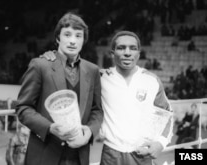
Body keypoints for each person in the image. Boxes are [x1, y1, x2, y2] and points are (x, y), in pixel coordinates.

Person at [41, 31, 173, 165]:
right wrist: (53, 58)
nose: (127, 52)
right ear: (112, 53)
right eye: (121, 48)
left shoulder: (151, 80)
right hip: (111, 155)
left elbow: (168, 114)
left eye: (133, 48)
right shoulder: (100, 78)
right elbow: (67, 77)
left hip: (142, 154)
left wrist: (161, 143)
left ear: (138, 53)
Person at [16, 12, 103, 165]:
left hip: (79, 155)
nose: (72, 41)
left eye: (78, 36)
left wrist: (89, 132)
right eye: (67, 35)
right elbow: (23, 108)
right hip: (45, 154)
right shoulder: (40, 65)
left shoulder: (92, 70)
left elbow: (97, 110)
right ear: (58, 38)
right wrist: (49, 128)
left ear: (84, 40)